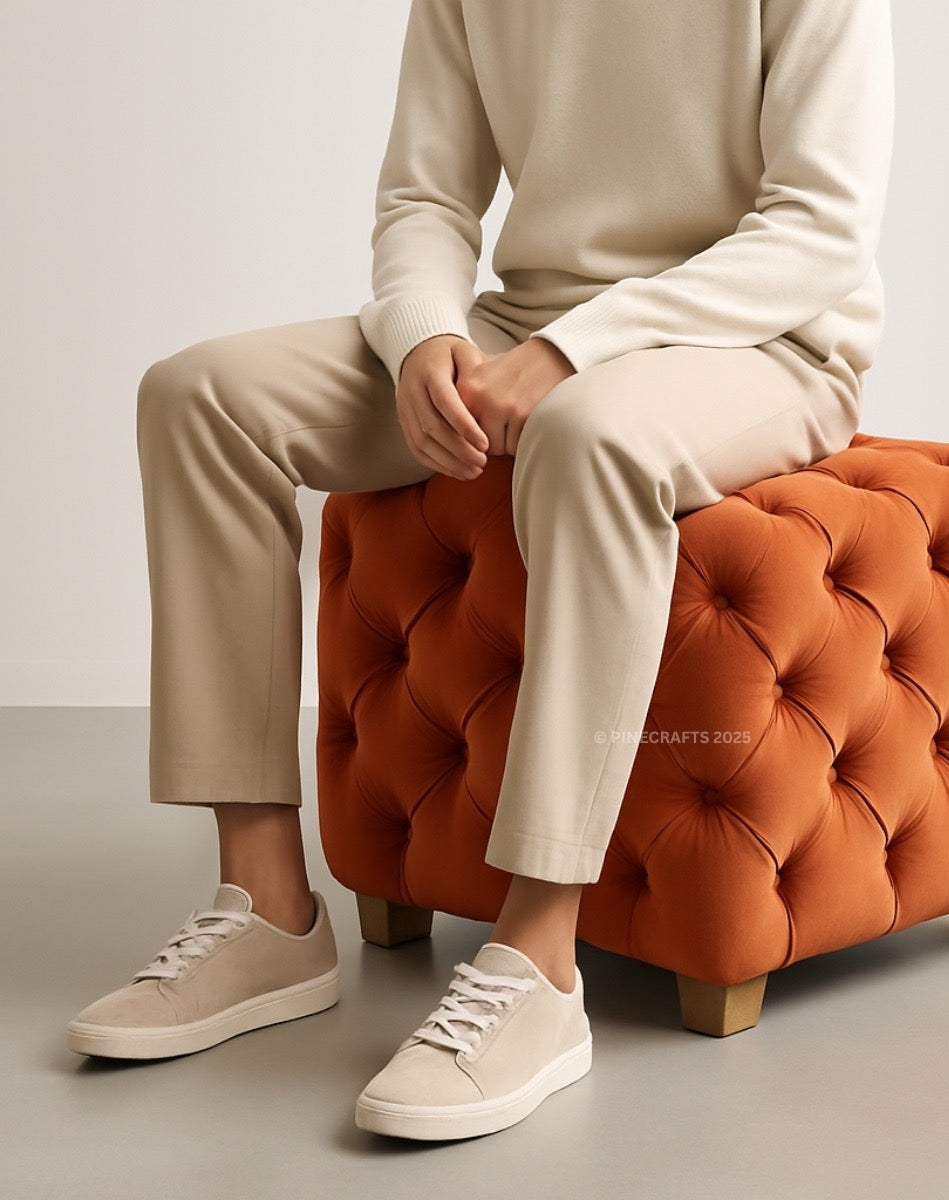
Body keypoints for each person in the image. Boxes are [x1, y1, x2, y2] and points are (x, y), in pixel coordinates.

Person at [66, 0, 894, 1140]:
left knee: (589, 432)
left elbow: (818, 230)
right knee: (201, 398)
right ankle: (267, 907)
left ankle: (539, 959)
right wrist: (423, 340)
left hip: (762, 343)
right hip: (529, 323)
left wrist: (572, 353)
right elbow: (426, 198)